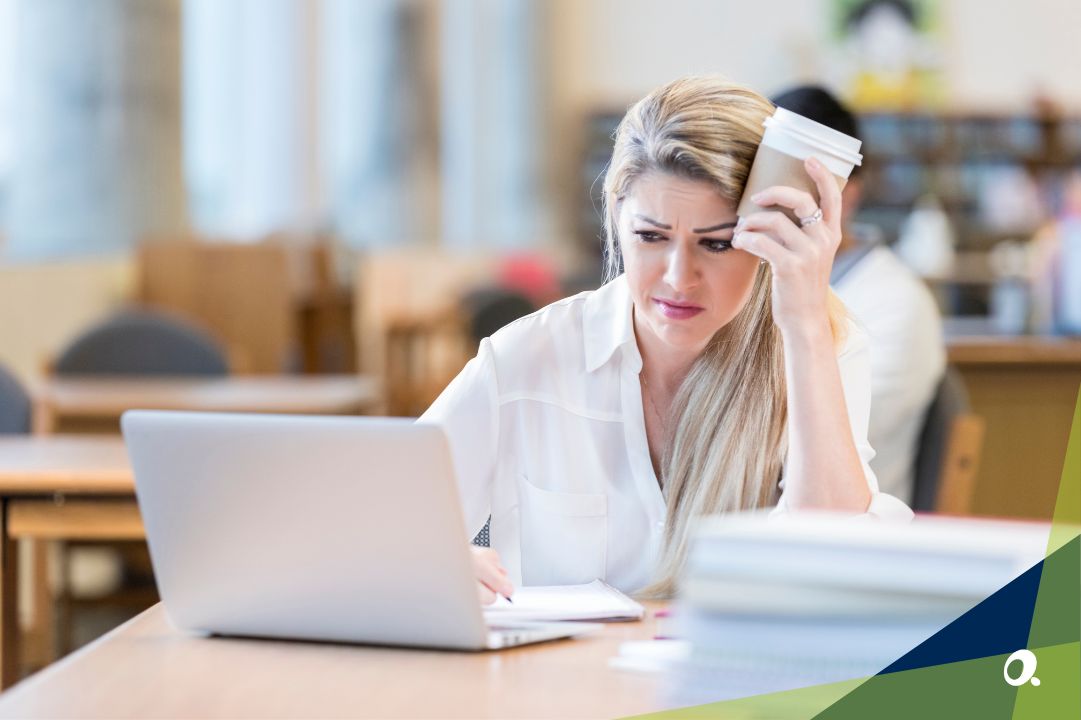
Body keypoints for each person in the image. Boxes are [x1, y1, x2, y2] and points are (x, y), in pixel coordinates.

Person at [420, 76, 912, 603]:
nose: (680, 277)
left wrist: (805, 322)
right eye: (651, 237)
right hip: (564, 683)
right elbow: (376, 525)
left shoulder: (821, 347)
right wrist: (430, 564)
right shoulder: (526, 359)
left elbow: (833, 564)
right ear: (616, 218)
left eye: (718, 244)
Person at [771, 85, 945, 505]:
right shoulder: (750, 281)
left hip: (849, 537)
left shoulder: (898, 303)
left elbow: (827, 438)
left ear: (845, 192)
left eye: (789, 180)